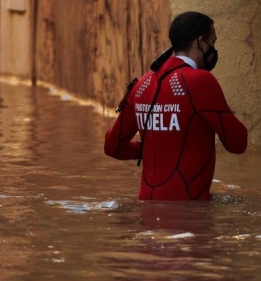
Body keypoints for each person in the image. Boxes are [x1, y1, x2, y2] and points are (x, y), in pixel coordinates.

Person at [104, 11, 247, 200]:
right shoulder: (200, 81)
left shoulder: (142, 85)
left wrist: (153, 148)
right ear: (201, 42)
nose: (213, 49)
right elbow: (238, 143)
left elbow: (113, 147)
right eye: (213, 42)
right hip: (189, 210)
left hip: (146, 207)